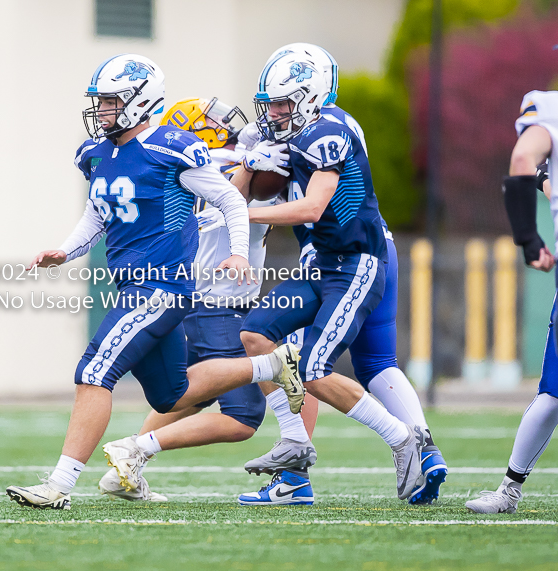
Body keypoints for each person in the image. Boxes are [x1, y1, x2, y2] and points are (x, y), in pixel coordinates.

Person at [5, 53, 301, 510]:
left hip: (161, 286)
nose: (101, 110)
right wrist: (67, 249)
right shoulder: (96, 154)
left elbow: (229, 199)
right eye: (100, 101)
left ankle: (59, 486)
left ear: (141, 101)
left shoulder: (171, 147)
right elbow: (98, 212)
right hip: (132, 285)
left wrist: (240, 252)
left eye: (110, 101)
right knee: (173, 393)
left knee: (93, 371)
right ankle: (269, 366)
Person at [237, 43, 447, 507]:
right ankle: (295, 443)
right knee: (255, 334)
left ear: (310, 97)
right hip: (323, 263)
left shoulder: (324, 132)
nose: (273, 113)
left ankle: (404, 441)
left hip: (354, 262)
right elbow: (255, 175)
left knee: (314, 366)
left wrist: (241, 213)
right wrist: (242, 164)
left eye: (283, 103)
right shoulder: (306, 125)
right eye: (270, 103)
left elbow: (312, 205)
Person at [96, 97, 309, 502]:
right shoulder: (219, 166)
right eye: (214, 119)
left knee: (190, 393)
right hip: (217, 302)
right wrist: (250, 162)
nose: (227, 122)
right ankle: (135, 450)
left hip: (198, 300)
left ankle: (127, 460)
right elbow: (234, 198)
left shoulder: (186, 164)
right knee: (243, 416)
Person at [466, 90, 558, 514]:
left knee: (554, 394)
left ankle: (509, 490)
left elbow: (523, 160)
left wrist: (527, 237)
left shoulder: (548, 107)